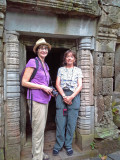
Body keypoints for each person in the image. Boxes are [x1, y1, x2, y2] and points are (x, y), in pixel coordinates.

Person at [22, 38, 53, 160]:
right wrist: (41, 86)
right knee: (37, 129)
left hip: (45, 100)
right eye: (41, 48)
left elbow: (45, 83)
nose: (44, 50)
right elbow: (24, 82)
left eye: (45, 48)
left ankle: (39, 153)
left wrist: (49, 89)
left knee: (41, 129)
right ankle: (37, 157)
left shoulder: (45, 65)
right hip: (36, 99)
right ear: (37, 50)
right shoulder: (32, 62)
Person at [53, 50, 83, 156]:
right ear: (65, 59)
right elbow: (57, 84)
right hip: (62, 95)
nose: (69, 58)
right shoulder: (61, 70)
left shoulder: (78, 70)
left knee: (71, 122)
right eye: (67, 57)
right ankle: (58, 145)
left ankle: (68, 145)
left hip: (74, 96)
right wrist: (65, 96)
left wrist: (71, 97)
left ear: (74, 59)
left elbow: (80, 85)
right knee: (60, 122)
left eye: (71, 57)